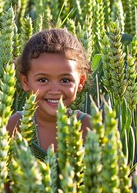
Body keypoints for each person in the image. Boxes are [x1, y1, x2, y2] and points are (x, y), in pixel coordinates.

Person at [7, 28, 92, 158]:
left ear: (80, 82)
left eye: (65, 80)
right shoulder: (14, 126)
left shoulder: (89, 128)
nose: (54, 90)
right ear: (25, 81)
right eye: (43, 80)